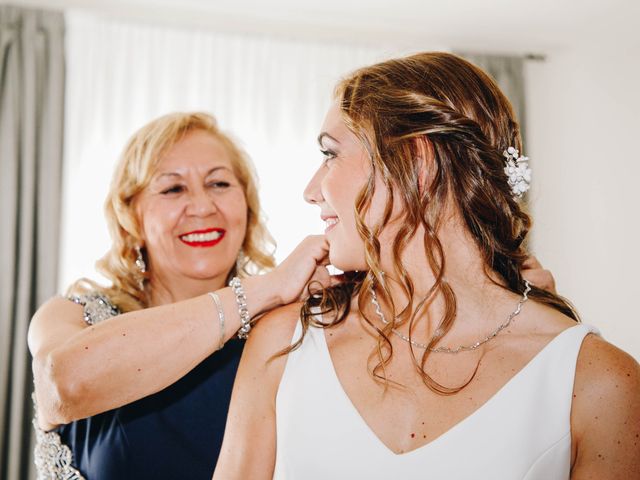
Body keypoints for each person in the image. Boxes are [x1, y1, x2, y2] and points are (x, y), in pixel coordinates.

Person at [213, 53, 640, 479]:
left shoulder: (596, 381)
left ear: (419, 162)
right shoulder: (285, 342)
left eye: (331, 154)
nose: (310, 191)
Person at [28, 112, 333, 480]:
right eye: (173, 189)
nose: (203, 207)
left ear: (247, 207)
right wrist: (266, 289)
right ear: (132, 216)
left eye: (219, 184)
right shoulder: (73, 316)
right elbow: (63, 385)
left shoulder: (287, 329)